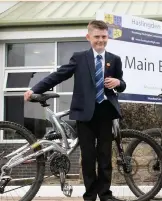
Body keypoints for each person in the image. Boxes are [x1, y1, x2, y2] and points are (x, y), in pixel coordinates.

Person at [24, 20, 126, 201]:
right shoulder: (79, 58)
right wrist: (35, 89)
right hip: (84, 114)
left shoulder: (114, 60)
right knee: (88, 157)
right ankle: (90, 195)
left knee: (105, 157)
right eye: (97, 37)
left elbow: (122, 84)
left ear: (107, 37)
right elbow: (59, 75)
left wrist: (118, 83)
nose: (100, 40)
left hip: (105, 113)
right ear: (89, 37)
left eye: (104, 37)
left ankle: (105, 195)